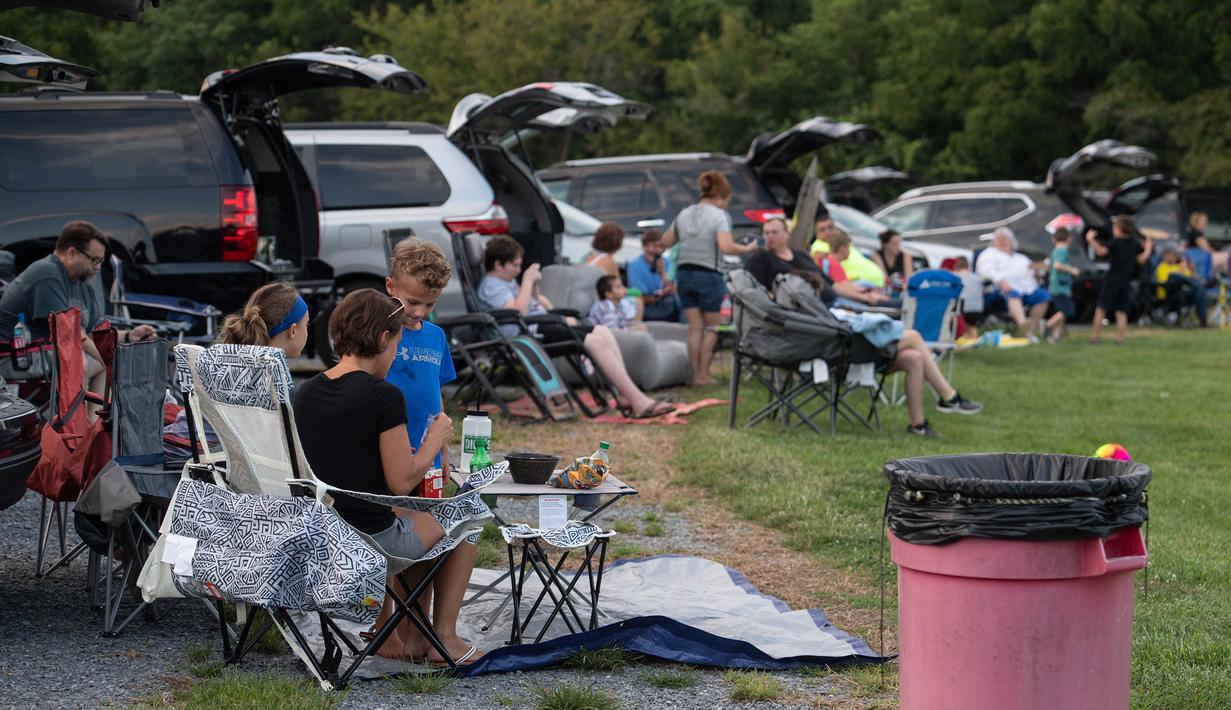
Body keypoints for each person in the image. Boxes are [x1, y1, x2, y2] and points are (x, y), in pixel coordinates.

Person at [293, 289, 479, 666]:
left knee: (418, 516)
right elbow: (401, 481)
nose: (394, 355)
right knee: (467, 515)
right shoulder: (384, 396)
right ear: (382, 339)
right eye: (395, 344)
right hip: (372, 543)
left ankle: (406, 631)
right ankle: (444, 638)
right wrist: (434, 440)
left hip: (320, 535)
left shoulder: (304, 392)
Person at [745, 218, 981, 436]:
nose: (770, 236)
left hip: (837, 322)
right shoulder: (761, 260)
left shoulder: (801, 257)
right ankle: (948, 396)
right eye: (766, 232)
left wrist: (865, 298)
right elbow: (761, 300)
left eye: (775, 231)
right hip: (820, 336)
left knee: (913, 358)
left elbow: (834, 286)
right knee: (913, 337)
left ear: (787, 234)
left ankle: (917, 425)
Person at [477, 235, 674, 419]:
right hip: (526, 334)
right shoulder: (492, 285)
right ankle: (638, 401)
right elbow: (518, 313)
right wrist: (527, 282)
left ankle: (624, 395)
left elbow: (542, 304)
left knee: (601, 331)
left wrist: (534, 288)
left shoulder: (507, 281)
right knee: (595, 342)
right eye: (515, 265)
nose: (518, 270)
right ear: (498, 264)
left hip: (540, 325)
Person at [0, 221, 156, 413]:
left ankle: (91, 428)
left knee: (96, 363)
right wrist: (110, 359)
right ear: (72, 253)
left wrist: (129, 335)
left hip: (46, 352)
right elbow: (71, 333)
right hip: (17, 356)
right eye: (95, 260)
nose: (98, 268)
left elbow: (95, 331)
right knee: (78, 360)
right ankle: (74, 432)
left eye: (101, 261)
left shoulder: (81, 283)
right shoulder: (47, 273)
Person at [163, 282, 309, 459]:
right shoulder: (272, 378)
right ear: (293, 331)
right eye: (306, 325)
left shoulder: (218, 358)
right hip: (213, 463)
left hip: (176, 449)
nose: (307, 331)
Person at [660, 170, 757, 386]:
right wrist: (746, 247)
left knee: (694, 327)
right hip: (708, 274)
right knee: (713, 327)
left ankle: (693, 375)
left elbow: (665, 241)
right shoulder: (719, 216)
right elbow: (725, 246)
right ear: (721, 196)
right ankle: (703, 375)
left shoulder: (684, 213)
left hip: (684, 274)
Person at [384, 238, 458, 473]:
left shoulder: (436, 336)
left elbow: (435, 393)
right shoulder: (381, 332)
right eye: (413, 302)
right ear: (390, 286)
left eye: (430, 305)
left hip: (428, 451)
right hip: (390, 446)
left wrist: (443, 449)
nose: (419, 312)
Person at [975, 227, 1050, 342]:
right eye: (999, 238)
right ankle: (1023, 325)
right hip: (999, 290)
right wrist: (1001, 280)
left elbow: (1032, 272)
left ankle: (1030, 332)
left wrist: (1037, 272)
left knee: (1043, 297)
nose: (1002, 241)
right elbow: (986, 271)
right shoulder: (989, 254)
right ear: (995, 240)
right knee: (1012, 293)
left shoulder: (1021, 258)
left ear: (1011, 240)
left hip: (1026, 289)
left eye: (1005, 238)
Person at [1086, 216, 1153, 344]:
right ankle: (1120, 339)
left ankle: (1094, 337)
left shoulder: (1115, 242)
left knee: (1101, 308)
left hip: (1111, 280)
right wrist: (1148, 248)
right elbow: (1141, 260)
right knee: (1122, 311)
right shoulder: (1134, 243)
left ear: (1119, 229)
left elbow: (1100, 252)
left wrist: (1091, 240)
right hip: (1125, 282)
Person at [822, 232, 902, 309]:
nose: (850, 251)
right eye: (849, 247)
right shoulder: (833, 264)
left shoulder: (827, 261)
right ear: (842, 248)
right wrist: (867, 296)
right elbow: (843, 287)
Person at [808, 211, 886, 288]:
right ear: (816, 234)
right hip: (858, 285)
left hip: (876, 282)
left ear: (835, 227)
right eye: (822, 229)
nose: (827, 231)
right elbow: (821, 264)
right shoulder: (819, 246)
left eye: (830, 227)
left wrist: (883, 273)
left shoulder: (841, 240)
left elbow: (873, 254)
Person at [626, 229, 681, 322]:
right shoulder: (634, 265)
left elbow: (674, 289)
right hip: (647, 308)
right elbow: (641, 296)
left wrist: (662, 272)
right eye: (647, 246)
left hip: (668, 305)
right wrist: (661, 294)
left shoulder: (668, 263)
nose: (651, 249)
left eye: (655, 246)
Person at [1045, 228, 1081, 343]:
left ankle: (1055, 336)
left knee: (1061, 310)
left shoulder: (1056, 249)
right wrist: (1073, 270)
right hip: (1059, 287)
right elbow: (1057, 265)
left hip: (1060, 286)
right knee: (1067, 311)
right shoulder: (1062, 250)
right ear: (1069, 238)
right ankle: (1048, 324)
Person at [1154, 250, 1207, 326]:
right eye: (1172, 254)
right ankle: (1195, 285)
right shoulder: (1161, 267)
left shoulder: (1178, 266)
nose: (1174, 257)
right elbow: (1165, 283)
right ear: (1165, 255)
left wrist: (1192, 270)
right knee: (1173, 276)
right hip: (1169, 295)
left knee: (1200, 290)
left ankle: (1203, 320)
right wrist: (1181, 271)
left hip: (1183, 295)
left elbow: (1196, 279)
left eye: (1175, 255)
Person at [870, 229, 913, 294]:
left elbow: (909, 278)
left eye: (899, 243)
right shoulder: (877, 256)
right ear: (885, 244)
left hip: (902, 290)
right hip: (885, 290)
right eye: (894, 243)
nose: (897, 246)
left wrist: (904, 286)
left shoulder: (905, 256)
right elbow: (884, 277)